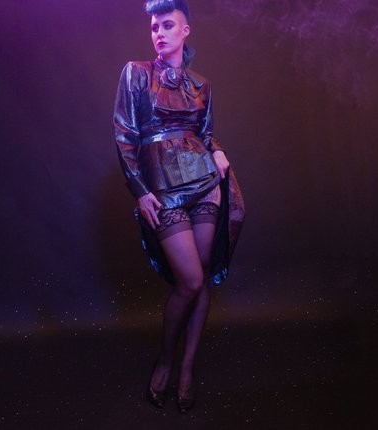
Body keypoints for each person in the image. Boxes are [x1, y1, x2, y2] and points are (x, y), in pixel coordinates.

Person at [113, 0, 245, 413]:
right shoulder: (136, 73)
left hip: (204, 184)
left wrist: (217, 149)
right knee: (189, 281)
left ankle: (187, 368)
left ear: (185, 31)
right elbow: (125, 135)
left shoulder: (202, 83)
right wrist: (140, 190)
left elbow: (206, 132)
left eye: (168, 25)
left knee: (200, 280)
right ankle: (167, 361)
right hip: (163, 189)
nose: (159, 32)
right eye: (155, 26)